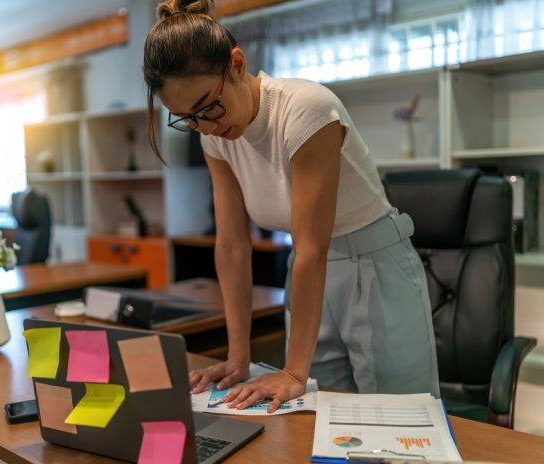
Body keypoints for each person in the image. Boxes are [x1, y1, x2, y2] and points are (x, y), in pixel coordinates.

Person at [143, 0, 440, 413]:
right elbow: (231, 246)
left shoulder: (306, 109)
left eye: (209, 106)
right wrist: (237, 357)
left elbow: (311, 247)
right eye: (187, 118)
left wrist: (295, 372)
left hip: (374, 268)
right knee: (313, 422)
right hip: (306, 276)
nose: (206, 126)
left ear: (237, 64)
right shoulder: (214, 137)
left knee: (398, 422)